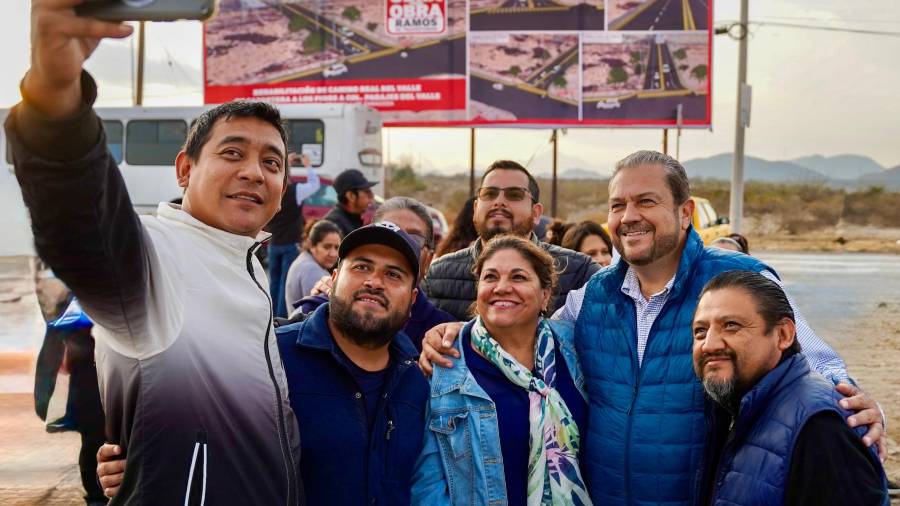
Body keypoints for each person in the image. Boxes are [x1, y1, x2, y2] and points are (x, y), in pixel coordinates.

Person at [419, 150, 885, 505]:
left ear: (685, 213)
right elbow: (522, 336)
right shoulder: (591, 299)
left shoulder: (737, 279)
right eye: (618, 204)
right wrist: (454, 334)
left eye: (647, 201)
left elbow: (810, 355)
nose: (629, 216)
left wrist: (851, 397)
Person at [9, 4, 302, 503]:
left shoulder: (245, 267)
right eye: (232, 153)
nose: (255, 171)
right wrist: (55, 95)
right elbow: (82, 224)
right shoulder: (156, 260)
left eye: (271, 162)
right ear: (185, 169)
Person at [101, 221, 430, 505]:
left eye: (393, 274)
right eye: (361, 266)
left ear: (412, 299)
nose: (374, 281)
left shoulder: (420, 382)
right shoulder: (268, 356)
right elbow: (196, 427)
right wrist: (140, 462)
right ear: (333, 278)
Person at [411, 235, 591, 505]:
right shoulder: (445, 365)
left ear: (545, 295)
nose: (502, 287)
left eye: (518, 277)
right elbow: (427, 484)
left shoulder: (576, 349)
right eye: (490, 277)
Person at [692, 270, 888, 505]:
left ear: (783, 334)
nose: (709, 344)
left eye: (731, 326)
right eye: (700, 331)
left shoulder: (820, 427)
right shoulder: (740, 407)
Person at [422, 160, 599, 321]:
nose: (499, 202)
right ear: (476, 208)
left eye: (514, 195)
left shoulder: (578, 272)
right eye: (489, 194)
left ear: (536, 213)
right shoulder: (437, 276)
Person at [285, 197, 456, 347]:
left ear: (430, 257)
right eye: (388, 230)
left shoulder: (444, 332)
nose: (375, 283)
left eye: (414, 238)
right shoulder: (314, 313)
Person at [34, 278, 106, 506]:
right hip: (90, 370)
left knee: (97, 438)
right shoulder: (75, 296)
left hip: (96, 368)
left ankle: (99, 496)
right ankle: (97, 497)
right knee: (95, 437)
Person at [266, 153, 320, 317]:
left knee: (273, 283)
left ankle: (269, 315)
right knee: (285, 284)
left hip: (273, 243)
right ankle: (280, 319)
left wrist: (284, 162)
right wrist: (307, 165)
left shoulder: (270, 190)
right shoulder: (295, 190)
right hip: (290, 243)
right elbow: (314, 184)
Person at [284, 219, 341, 311]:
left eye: (337, 247)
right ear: (311, 245)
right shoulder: (311, 269)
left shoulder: (305, 260)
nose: (333, 254)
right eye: (327, 247)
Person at [323, 168, 377, 237]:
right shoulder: (334, 224)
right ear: (351, 196)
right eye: (367, 192)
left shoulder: (353, 219)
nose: (371, 196)